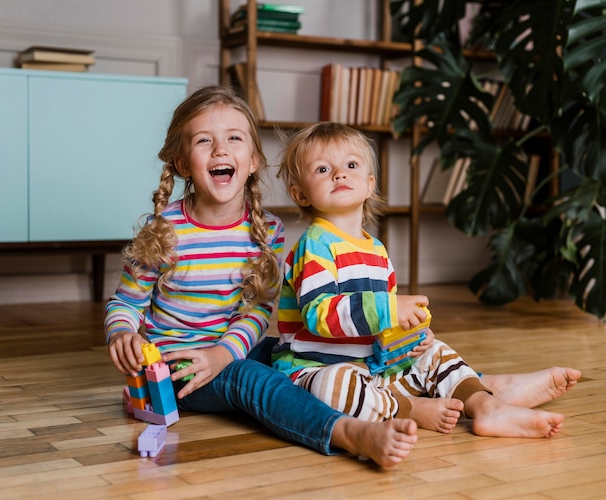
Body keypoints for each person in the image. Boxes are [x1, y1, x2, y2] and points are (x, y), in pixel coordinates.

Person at [104, 85, 417, 469]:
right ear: (183, 164)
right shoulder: (164, 231)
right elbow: (126, 303)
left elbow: (254, 312)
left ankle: (429, 394)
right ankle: (347, 433)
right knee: (250, 379)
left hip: (230, 348)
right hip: (178, 367)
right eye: (205, 141)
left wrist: (223, 353)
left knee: (299, 355)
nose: (221, 150)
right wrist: (121, 333)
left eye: (234, 139)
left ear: (252, 159)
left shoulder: (267, 231)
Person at [272, 121, 578, 438]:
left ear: (369, 183)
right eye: (322, 169)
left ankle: (485, 406)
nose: (339, 174)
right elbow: (319, 315)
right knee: (331, 388)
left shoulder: (376, 250)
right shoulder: (315, 245)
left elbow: (380, 327)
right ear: (300, 194)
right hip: (314, 369)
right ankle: (410, 409)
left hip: (373, 369)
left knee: (436, 353)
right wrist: (390, 309)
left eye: (351, 165)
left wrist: (410, 337)